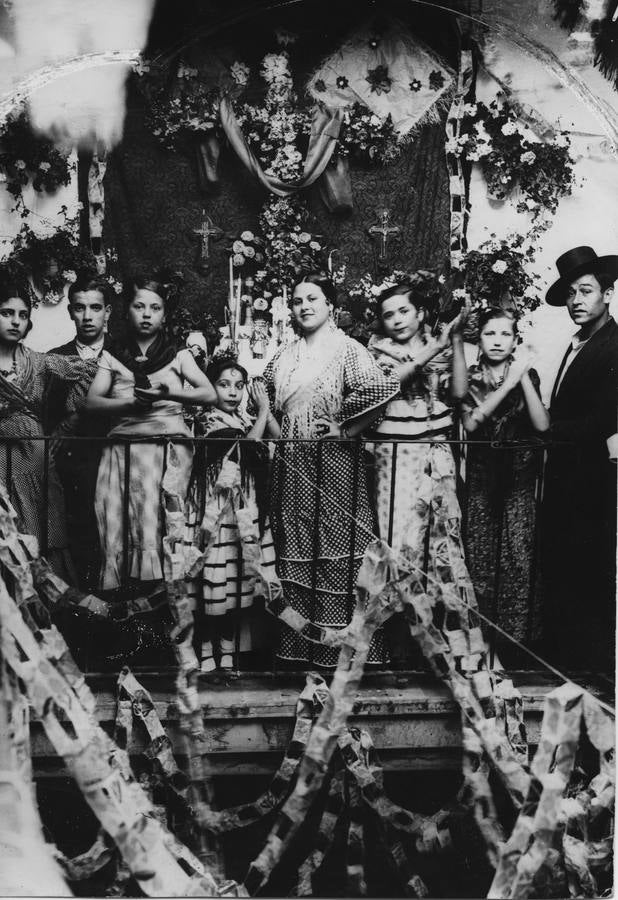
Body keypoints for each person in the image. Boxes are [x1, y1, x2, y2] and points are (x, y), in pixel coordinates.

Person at [262, 271, 399, 667]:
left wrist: (346, 427)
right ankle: (301, 650)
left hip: (335, 464)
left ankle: (346, 654)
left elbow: (381, 389)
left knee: (339, 547)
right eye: (298, 300)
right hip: (291, 464)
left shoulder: (348, 349)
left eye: (313, 299)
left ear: (330, 307)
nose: (304, 306)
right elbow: (264, 396)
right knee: (298, 545)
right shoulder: (284, 354)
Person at [85, 273, 216, 590]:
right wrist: (131, 404)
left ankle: (164, 592)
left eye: (154, 308)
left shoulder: (178, 354)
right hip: (123, 450)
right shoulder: (113, 354)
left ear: (164, 315)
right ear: (127, 311)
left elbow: (208, 394)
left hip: (165, 450)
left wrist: (168, 395)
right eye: (139, 306)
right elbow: (91, 403)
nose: (146, 314)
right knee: (119, 516)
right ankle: (127, 593)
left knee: (162, 521)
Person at [367, 281, 470, 675]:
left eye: (403, 311)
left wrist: (455, 340)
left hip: (434, 452)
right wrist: (435, 347)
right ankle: (396, 642)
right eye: (389, 313)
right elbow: (389, 385)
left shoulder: (441, 346)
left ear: (421, 313)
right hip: (395, 455)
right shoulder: (379, 350)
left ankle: (430, 645)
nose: (396, 320)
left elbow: (458, 392)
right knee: (398, 541)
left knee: (436, 544)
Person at [542, 246, 618, 672]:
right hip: (564, 477)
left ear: (608, 294)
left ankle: (591, 669)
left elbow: (605, 417)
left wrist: (547, 431)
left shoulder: (615, 346)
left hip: (590, 480)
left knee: (587, 571)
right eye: (571, 293)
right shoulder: (577, 343)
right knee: (563, 566)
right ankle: (565, 664)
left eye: (586, 290)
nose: (576, 300)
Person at [461, 307, 549, 666]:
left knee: (516, 561)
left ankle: (508, 649)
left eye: (505, 335)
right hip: (484, 482)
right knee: (481, 561)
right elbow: (470, 422)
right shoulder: (470, 377)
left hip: (518, 482)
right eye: (490, 334)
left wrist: (522, 376)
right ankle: (480, 648)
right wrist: (509, 382)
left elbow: (541, 425)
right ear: (479, 340)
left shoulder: (527, 374)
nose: (497, 341)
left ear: (515, 341)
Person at [187, 355, 279, 674]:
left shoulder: (240, 419)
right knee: (214, 579)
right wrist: (264, 412)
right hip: (217, 514)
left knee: (236, 579)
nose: (232, 392)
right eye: (224, 384)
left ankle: (227, 648)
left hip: (240, 512)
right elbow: (247, 447)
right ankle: (207, 648)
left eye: (239, 386)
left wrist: (258, 411)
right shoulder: (208, 418)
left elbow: (272, 441)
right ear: (210, 387)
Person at [0, 282, 96, 579]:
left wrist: (72, 417)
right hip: (1, 461)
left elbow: (93, 371)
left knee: (42, 533)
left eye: (23, 314)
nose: (16, 321)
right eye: (6, 312)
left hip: (35, 461)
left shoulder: (39, 362)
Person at [47, 273, 113, 588]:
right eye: (79, 308)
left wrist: (77, 418)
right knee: (79, 544)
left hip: (115, 462)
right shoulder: (54, 360)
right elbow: (46, 418)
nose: (87, 316)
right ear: (70, 311)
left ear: (108, 312)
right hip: (72, 470)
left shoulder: (125, 355)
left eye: (95, 308)